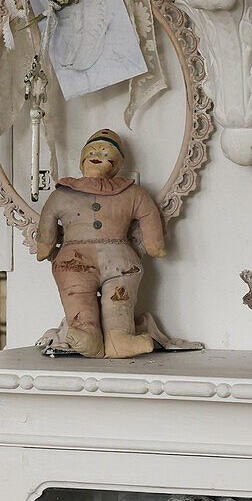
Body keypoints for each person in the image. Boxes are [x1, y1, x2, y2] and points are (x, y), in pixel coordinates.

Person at [36, 128, 166, 358]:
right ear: (82, 159)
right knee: (76, 294)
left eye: (107, 154)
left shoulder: (132, 193)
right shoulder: (63, 193)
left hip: (120, 261)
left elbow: (148, 214)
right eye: (93, 151)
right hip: (74, 262)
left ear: (116, 166)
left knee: (120, 299)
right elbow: (47, 218)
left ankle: (119, 338)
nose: (99, 155)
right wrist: (44, 245)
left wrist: (155, 244)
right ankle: (87, 335)